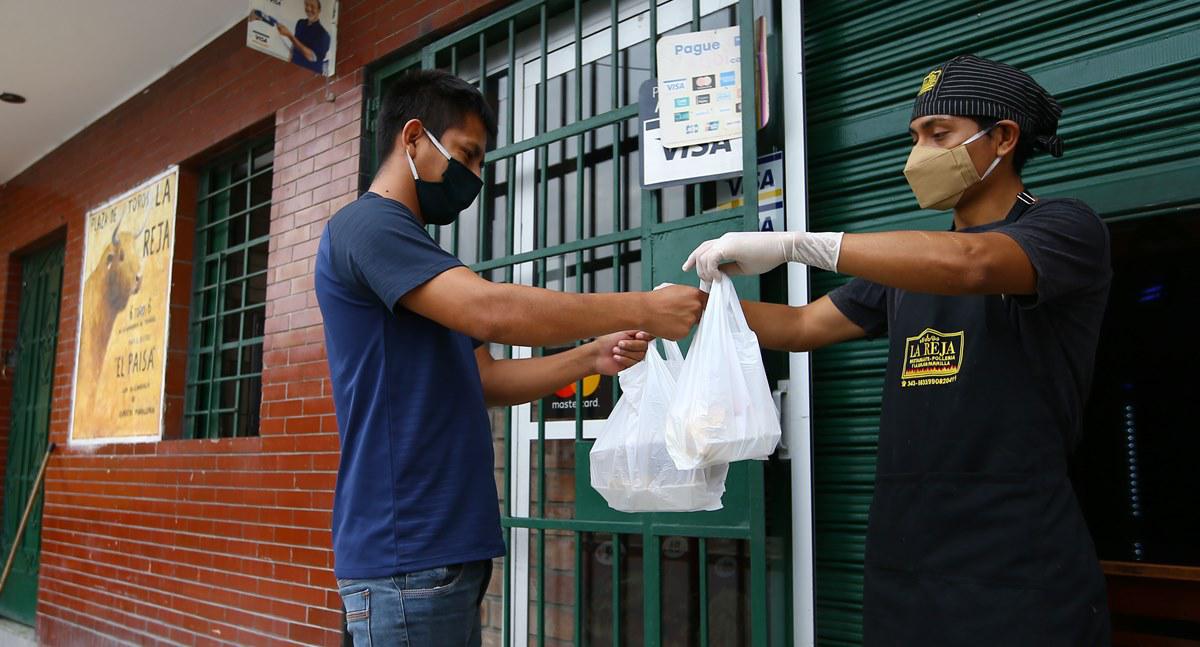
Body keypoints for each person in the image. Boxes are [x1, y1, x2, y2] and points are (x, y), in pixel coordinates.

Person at [685, 55, 1111, 645]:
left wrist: (798, 245)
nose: (920, 154)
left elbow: (972, 265)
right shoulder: (905, 268)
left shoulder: (1064, 229)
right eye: (915, 137)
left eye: (940, 134)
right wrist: (679, 310)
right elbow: (803, 326)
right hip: (907, 555)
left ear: (1004, 138)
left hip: (1017, 561)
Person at [316, 70, 705, 646]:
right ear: (414, 137)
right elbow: (490, 310)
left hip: (444, 551)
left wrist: (591, 357)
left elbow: (487, 379)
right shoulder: (368, 226)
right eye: (467, 155)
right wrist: (645, 307)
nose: (473, 178)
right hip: (405, 556)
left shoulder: (422, 256)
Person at [277, 0, 330, 74]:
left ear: (319, 10)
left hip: (309, 76)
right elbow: (294, 48)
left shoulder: (323, 35)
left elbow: (312, 58)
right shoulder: (300, 23)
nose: (308, 8)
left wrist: (289, 35)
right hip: (292, 71)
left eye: (312, 6)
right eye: (306, 5)